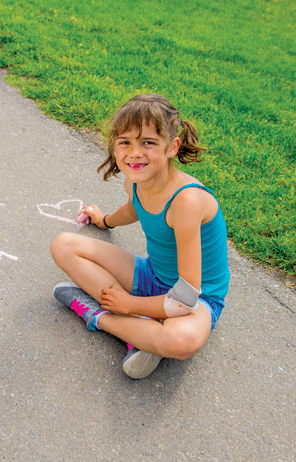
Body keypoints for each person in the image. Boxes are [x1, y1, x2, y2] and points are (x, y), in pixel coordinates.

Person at [50, 93, 230, 379]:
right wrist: (104, 220)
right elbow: (134, 210)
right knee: (63, 245)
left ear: (172, 147)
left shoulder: (186, 201)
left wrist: (128, 304)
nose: (134, 153)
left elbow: (186, 295)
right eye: (125, 142)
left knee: (181, 341)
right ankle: (142, 329)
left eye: (147, 142)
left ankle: (99, 315)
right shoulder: (135, 181)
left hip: (197, 299)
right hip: (153, 275)